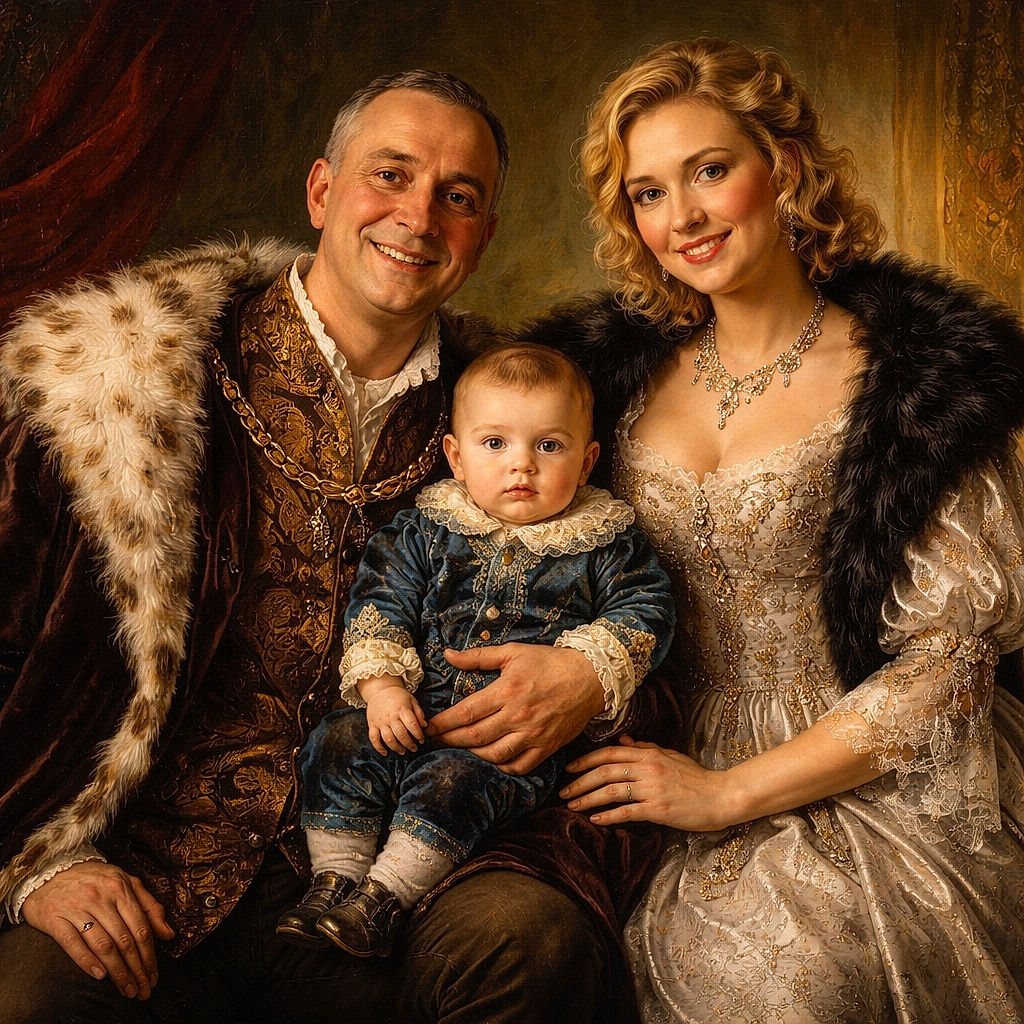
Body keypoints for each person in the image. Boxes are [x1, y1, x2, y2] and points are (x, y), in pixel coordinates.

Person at [0, 70, 673, 1024]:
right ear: (322, 192)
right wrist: (40, 864)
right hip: (154, 875)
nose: (418, 216)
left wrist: (583, 678)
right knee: (30, 1003)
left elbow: (642, 601)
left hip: (416, 860)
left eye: (459, 196)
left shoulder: (517, 422)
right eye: (389, 175)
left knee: (529, 947)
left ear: (482, 236)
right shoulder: (121, 384)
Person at [526, 38, 1024, 1023]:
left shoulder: (914, 380)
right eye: (649, 193)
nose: (685, 217)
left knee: (792, 983)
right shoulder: (605, 388)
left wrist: (723, 796)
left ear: (784, 167)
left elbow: (948, 670)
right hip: (653, 745)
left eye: (710, 170)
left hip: (868, 771)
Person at [277, 343, 675, 958]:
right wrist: (382, 688)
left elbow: (645, 611)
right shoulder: (426, 529)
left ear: (588, 459)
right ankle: (335, 879)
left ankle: (385, 898)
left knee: (455, 784)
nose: (523, 467)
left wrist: (585, 663)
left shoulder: (605, 542)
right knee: (339, 742)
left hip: (507, 741)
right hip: (406, 710)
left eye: (549, 446)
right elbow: (381, 598)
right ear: (455, 458)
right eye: (496, 445)